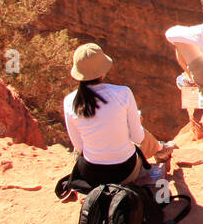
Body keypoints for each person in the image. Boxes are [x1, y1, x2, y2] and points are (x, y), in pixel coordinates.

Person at [62, 43, 170, 187]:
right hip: (124, 171)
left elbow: (79, 147)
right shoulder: (123, 93)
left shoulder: (70, 101)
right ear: (103, 71)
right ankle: (161, 149)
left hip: (92, 174)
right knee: (137, 122)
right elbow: (137, 137)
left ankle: (160, 148)